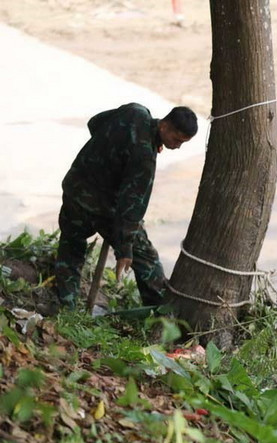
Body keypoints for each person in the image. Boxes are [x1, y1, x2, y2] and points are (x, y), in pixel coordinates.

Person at [55, 103, 197, 309]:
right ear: (165, 126)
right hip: (103, 208)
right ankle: (163, 316)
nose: (177, 146)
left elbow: (95, 123)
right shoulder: (144, 159)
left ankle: (65, 308)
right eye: (176, 140)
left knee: (71, 246)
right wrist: (124, 250)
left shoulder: (134, 112)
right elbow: (130, 208)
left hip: (75, 189)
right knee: (146, 259)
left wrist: (114, 155)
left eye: (182, 143)